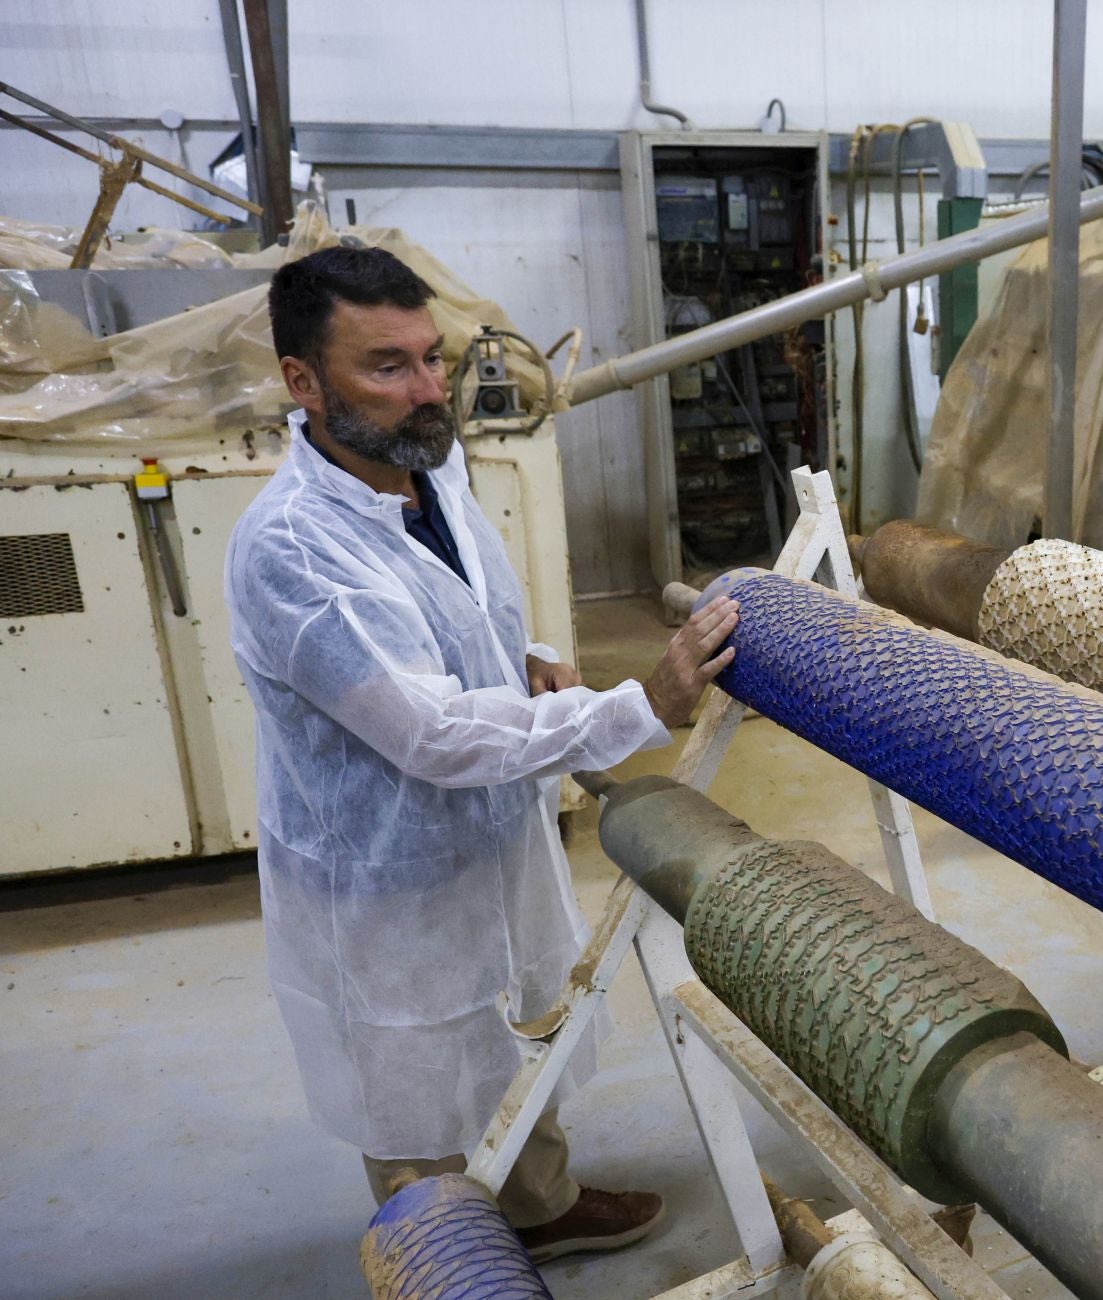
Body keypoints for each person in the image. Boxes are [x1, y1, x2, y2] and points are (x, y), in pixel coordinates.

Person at [224, 245, 739, 1261]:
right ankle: (449, 1257)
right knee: (413, 1074)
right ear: (302, 381)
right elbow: (431, 730)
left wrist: (526, 655)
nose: (427, 389)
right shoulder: (293, 548)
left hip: (489, 829)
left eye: (432, 358)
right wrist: (642, 704)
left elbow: (456, 614)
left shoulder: (429, 469)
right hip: (384, 871)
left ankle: (540, 1208)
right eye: (386, 366)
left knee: (515, 1022)